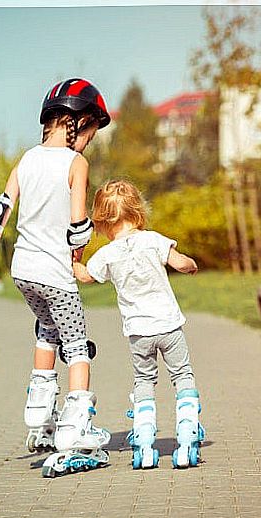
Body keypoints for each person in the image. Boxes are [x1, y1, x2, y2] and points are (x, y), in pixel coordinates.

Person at [0, 78, 111, 477]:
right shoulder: (76, 163)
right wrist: (77, 261)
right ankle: (76, 426)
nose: (90, 142)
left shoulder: (27, 159)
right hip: (55, 273)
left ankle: (39, 411)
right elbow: (79, 226)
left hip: (23, 272)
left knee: (46, 331)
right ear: (81, 123)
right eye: (92, 133)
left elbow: (0, 210)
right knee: (77, 345)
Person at [72, 179, 205, 469]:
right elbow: (181, 263)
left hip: (138, 333)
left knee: (145, 381)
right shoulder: (154, 239)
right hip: (169, 327)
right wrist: (191, 265)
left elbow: (85, 276)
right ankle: (187, 432)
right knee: (182, 375)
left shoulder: (106, 254)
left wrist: (72, 259)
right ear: (138, 212)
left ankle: (144, 442)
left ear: (103, 222)